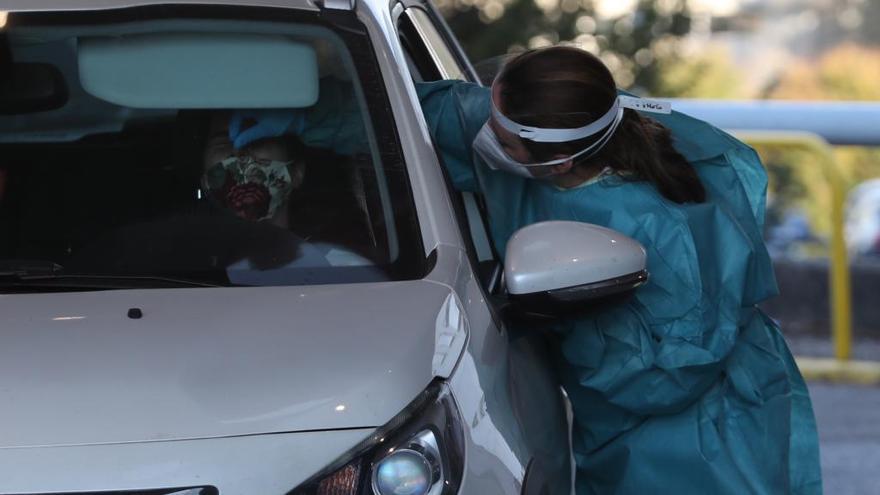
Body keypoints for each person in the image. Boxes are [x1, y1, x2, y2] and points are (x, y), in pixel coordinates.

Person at [228, 46, 822, 494]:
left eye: (502, 136)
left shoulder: (659, 230)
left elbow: (662, 378)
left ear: (556, 161)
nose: (485, 135)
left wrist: (544, 314)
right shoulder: (532, 134)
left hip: (704, 430)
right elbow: (429, 114)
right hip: (624, 426)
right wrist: (303, 116)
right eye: (492, 110)